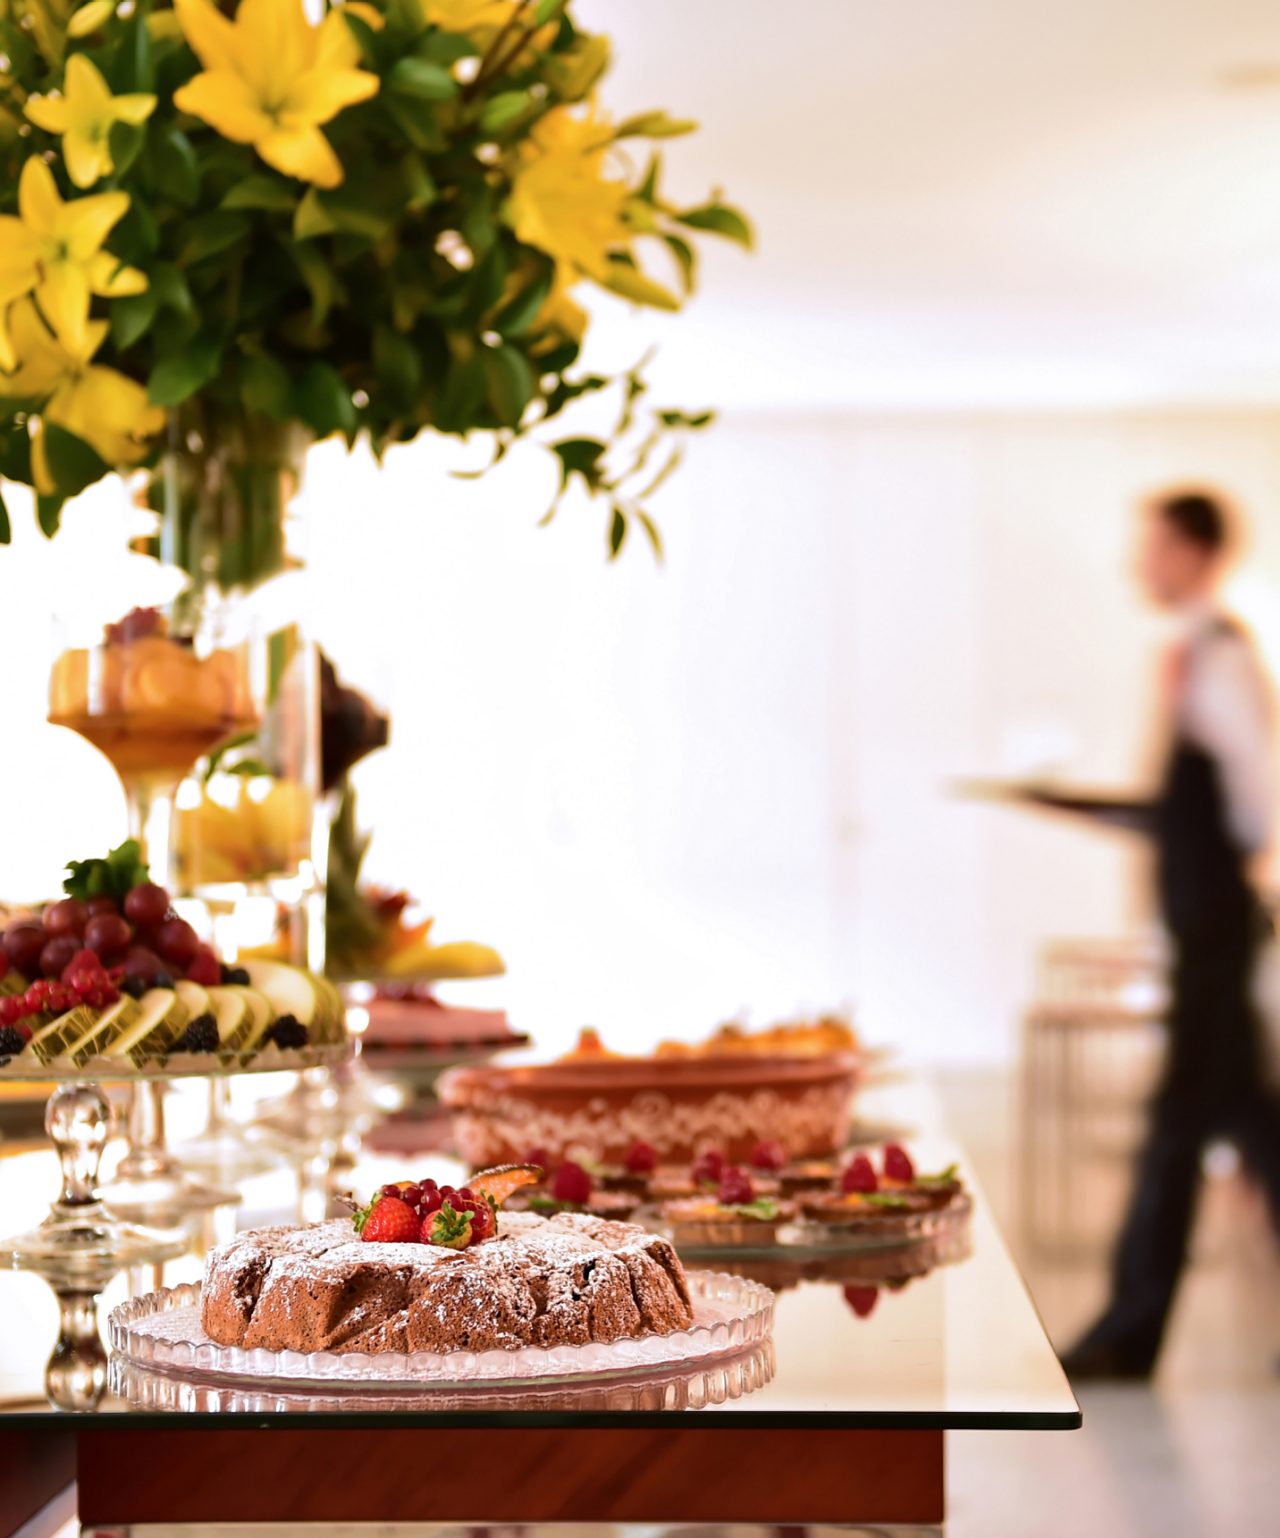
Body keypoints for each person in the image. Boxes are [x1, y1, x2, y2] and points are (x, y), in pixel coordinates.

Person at [1058, 488, 1280, 1380]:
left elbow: (1258, 797)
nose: (1139, 564)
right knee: (1251, 1123)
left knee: (1179, 1125)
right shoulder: (1191, 654)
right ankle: (1128, 1328)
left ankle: (1129, 1331)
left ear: (1195, 551)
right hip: (1208, 925)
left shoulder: (1220, 657)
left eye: (1153, 547)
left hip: (1217, 928)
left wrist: (1223, 870)